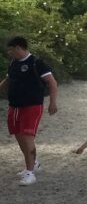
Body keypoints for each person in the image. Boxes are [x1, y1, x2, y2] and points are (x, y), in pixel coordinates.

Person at [2, 36, 58, 186]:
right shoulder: (13, 63)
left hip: (32, 105)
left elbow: (52, 82)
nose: (10, 53)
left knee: (27, 137)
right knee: (19, 136)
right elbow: (7, 81)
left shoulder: (36, 62)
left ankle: (30, 173)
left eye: (11, 50)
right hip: (14, 106)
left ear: (19, 48)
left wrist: (53, 102)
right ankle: (34, 163)